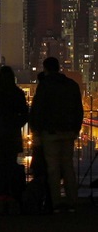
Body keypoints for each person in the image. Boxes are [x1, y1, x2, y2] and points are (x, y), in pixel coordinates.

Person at [29, 57, 83, 212]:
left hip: (50, 132)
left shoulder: (45, 86)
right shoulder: (72, 85)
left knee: (53, 169)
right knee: (68, 167)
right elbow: (78, 110)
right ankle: (72, 202)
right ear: (59, 68)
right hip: (68, 132)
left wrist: (36, 131)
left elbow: (38, 110)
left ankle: (56, 203)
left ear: (45, 69)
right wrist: (76, 129)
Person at [0, 66, 28, 203]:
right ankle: (12, 192)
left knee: (0, 164)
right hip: (12, 133)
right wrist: (17, 124)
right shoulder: (18, 93)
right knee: (12, 163)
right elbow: (24, 114)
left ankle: (1, 193)